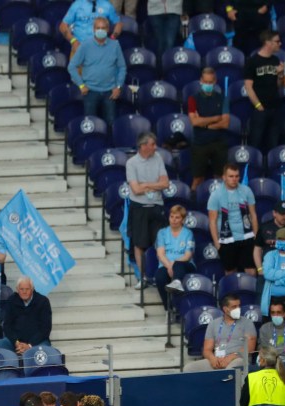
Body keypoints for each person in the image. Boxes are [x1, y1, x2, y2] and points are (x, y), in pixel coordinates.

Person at [125, 132, 169, 290]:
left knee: (161, 243)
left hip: (156, 206)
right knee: (139, 244)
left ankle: (162, 276)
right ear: (143, 146)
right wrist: (152, 184)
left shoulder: (158, 158)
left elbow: (165, 183)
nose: (155, 147)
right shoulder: (131, 163)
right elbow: (136, 189)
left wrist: (145, 184)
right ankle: (142, 277)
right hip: (139, 209)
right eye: (152, 144)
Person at [67, 17, 126, 128]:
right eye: (98, 28)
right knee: (91, 125)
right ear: (93, 29)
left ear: (108, 29)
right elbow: (72, 66)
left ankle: (109, 146)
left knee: (110, 125)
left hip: (110, 93)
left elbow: (122, 67)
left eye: (103, 28)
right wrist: (81, 85)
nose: (100, 30)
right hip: (90, 92)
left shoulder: (115, 45)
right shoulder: (85, 46)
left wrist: (118, 86)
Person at [184, 293, 257, 372]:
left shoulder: (247, 323)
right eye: (234, 307)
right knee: (189, 368)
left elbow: (249, 348)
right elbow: (207, 350)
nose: (238, 309)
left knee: (231, 369)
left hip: (238, 359)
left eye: (239, 306)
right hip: (217, 360)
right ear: (225, 309)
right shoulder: (213, 324)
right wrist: (212, 359)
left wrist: (231, 357)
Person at [207, 163, 258, 275]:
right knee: (230, 272)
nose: (234, 179)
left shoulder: (247, 191)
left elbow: (253, 215)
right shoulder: (215, 195)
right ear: (224, 177)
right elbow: (212, 221)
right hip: (226, 240)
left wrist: (256, 236)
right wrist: (217, 243)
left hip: (247, 236)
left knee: (251, 271)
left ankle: (249, 293)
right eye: (231, 176)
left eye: (236, 176)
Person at [187, 67, 230, 192]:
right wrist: (216, 118)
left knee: (220, 178)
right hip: (200, 143)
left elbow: (225, 123)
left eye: (210, 82)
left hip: (219, 143)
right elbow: (194, 121)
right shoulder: (193, 99)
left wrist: (204, 123)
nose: (208, 85)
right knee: (197, 179)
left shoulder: (222, 99)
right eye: (205, 82)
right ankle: (194, 203)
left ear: (215, 81)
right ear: (201, 81)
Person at [244, 30, 285, 154]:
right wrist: (258, 106)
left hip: (275, 107)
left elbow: (279, 85)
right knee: (256, 142)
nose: (280, 44)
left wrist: (281, 74)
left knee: (273, 144)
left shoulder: (276, 60)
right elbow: (248, 87)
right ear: (268, 42)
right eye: (277, 41)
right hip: (259, 109)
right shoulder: (252, 61)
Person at [153, 205, 195, 310]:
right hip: (166, 264)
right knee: (160, 277)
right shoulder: (162, 233)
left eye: (177, 217)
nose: (174, 220)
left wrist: (174, 263)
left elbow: (187, 255)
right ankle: (169, 308)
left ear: (183, 220)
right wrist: (170, 266)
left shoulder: (188, 233)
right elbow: (160, 254)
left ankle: (178, 296)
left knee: (179, 265)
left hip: (185, 264)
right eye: (171, 217)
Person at [0, 276, 52, 353]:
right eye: (21, 289)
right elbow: (7, 326)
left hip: (37, 342)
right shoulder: (11, 300)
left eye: (27, 289)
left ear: (32, 289)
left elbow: (45, 328)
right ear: (17, 289)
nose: (24, 292)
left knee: (45, 350)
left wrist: (29, 345)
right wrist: (16, 342)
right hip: (15, 342)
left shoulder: (43, 301)